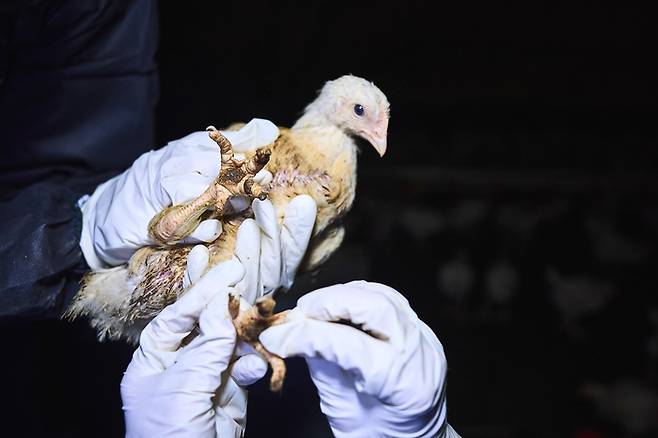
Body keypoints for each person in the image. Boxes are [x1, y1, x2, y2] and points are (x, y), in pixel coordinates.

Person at [0, 1, 459, 436]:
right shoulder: (265, 142)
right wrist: (76, 228)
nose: (378, 135)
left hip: (118, 308)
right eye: (364, 115)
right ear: (337, 104)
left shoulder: (330, 223)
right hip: (98, 266)